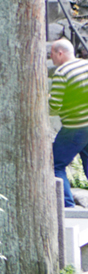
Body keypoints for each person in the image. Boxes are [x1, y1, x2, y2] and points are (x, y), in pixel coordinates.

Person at [48, 38, 88, 208]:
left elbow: (54, 108)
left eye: (51, 55)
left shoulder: (62, 73)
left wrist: (47, 101)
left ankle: (67, 207)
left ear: (60, 53)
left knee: (55, 164)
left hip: (74, 128)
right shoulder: (86, 65)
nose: (52, 60)